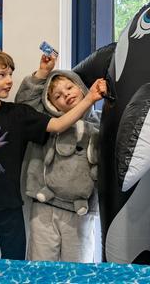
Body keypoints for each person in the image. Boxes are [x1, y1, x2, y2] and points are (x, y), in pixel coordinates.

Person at [0, 48, 106, 260]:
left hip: (11, 208)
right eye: (2, 75)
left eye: (10, 74)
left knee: (17, 266)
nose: (9, 80)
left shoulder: (17, 114)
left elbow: (57, 125)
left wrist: (89, 99)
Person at [15, 53, 100, 263]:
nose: (66, 95)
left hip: (81, 210)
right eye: (58, 96)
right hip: (45, 205)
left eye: (69, 88)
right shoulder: (47, 123)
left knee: (78, 269)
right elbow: (24, 104)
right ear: (52, 105)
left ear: (80, 86)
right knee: (41, 267)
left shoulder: (100, 125)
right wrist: (42, 73)